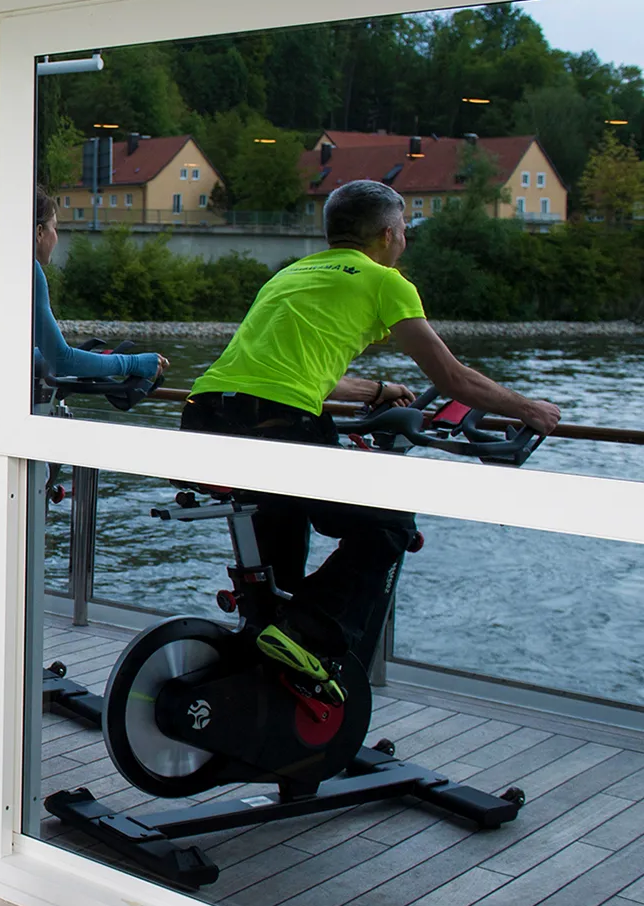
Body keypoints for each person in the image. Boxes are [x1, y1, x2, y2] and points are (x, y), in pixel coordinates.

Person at [182, 178, 560, 700]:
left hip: (205, 416)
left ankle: (269, 675)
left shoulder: (291, 273)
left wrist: (378, 390)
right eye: (402, 229)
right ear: (387, 234)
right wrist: (529, 409)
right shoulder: (386, 281)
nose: (404, 239)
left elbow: (293, 370)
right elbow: (452, 379)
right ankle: (304, 630)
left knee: (277, 566)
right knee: (388, 523)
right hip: (278, 426)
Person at [30, 185, 167, 384]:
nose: (57, 237)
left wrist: (94, 360)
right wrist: (132, 363)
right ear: (39, 232)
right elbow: (61, 359)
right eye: (55, 228)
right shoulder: (30, 271)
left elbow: (17, 352)